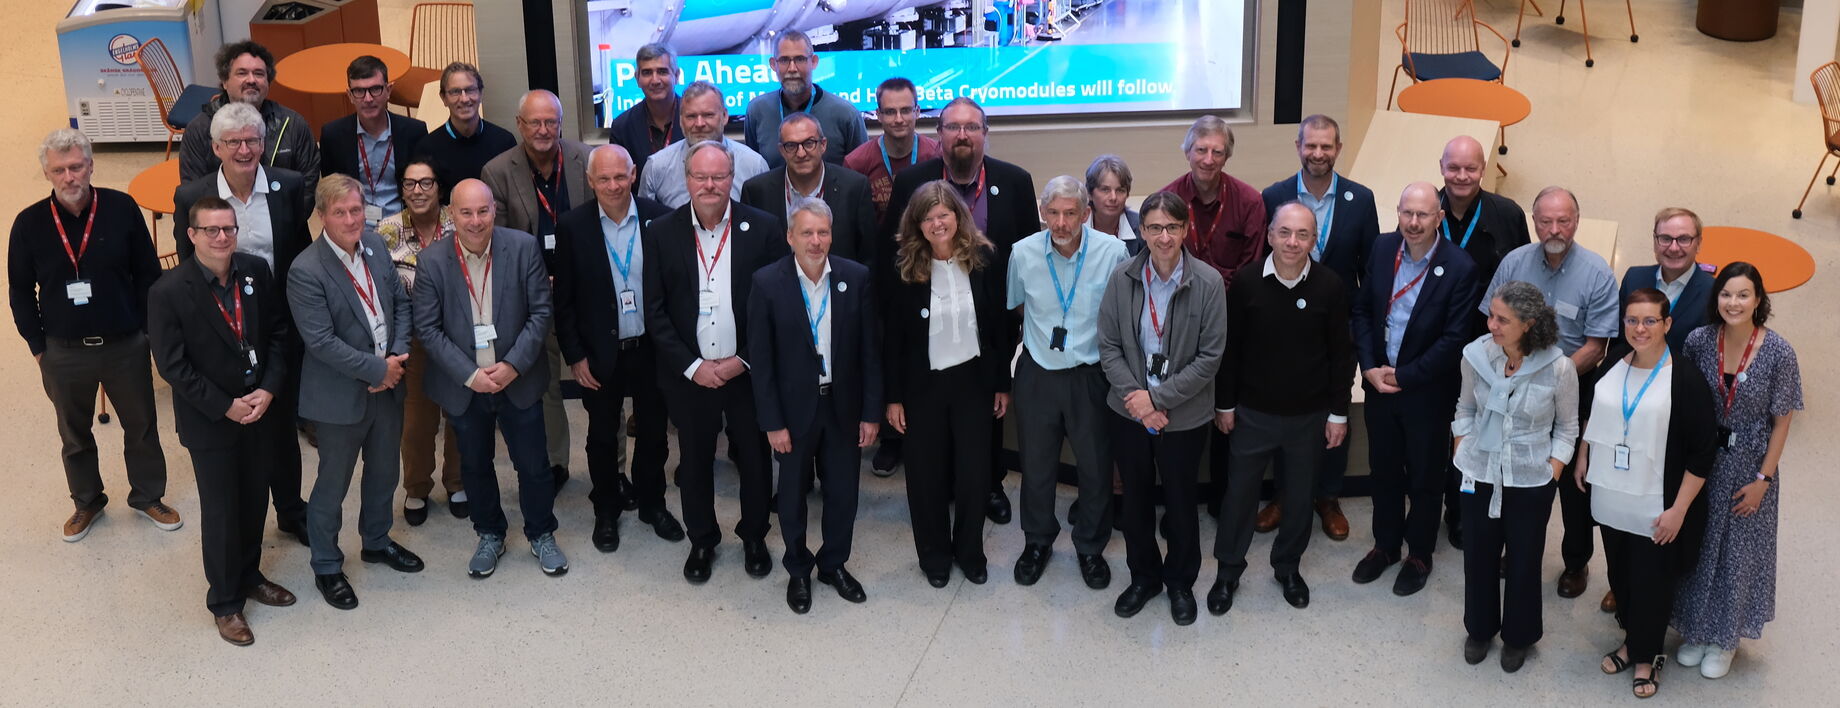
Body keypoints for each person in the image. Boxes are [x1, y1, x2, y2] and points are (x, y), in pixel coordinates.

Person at [9, 128, 175, 541]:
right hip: (63, 352)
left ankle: (148, 496)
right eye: (59, 170)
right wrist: (38, 349)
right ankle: (86, 501)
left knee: (141, 426)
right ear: (47, 174)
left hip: (125, 345)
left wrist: (147, 333)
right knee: (74, 434)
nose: (69, 177)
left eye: (76, 166)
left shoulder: (119, 208)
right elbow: (18, 290)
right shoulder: (29, 224)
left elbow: (147, 275)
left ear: (91, 166)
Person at [148, 196, 298, 646]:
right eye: (210, 230)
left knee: (254, 499)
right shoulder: (168, 291)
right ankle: (226, 602)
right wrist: (226, 405)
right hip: (211, 420)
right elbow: (173, 367)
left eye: (228, 229)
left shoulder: (255, 271)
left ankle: (250, 575)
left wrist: (268, 390)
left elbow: (277, 333)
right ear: (191, 235)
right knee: (221, 510)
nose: (221, 238)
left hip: (259, 409)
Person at [884, 96, 1037, 522]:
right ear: (940, 135)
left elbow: (1028, 253)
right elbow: (892, 255)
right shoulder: (912, 182)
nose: (963, 135)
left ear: (985, 133)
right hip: (928, 317)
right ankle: (948, 486)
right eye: (953, 127)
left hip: (992, 321)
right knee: (936, 414)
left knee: (985, 411)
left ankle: (988, 486)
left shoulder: (1016, 181)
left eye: (972, 127)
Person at [642, 140, 788, 584]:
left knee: (756, 460)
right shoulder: (661, 231)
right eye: (700, 176)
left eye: (718, 176)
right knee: (696, 459)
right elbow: (656, 310)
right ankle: (702, 539)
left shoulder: (762, 228)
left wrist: (742, 359)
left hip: (745, 372)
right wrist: (693, 366)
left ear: (731, 180)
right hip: (690, 374)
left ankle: (754, 536)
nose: (709, 184)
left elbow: (774, 306)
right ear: (687, 180)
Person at [411, 179, 567, 579]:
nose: (476, 221)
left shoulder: (522, 247)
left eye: (483, 211)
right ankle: (490, 533)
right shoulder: (432, 261)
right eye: (466, 212)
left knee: (533, 465)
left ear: (494, 211)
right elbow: (427, 329)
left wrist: (513, 365)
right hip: (465, 386)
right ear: (452, 215)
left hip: (519, 377)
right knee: (475, 466)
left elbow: (540, 313)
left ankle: (541, 532)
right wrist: (470, 374)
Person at [173, 101, 313, 547]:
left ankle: (291, 510)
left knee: (281, 422)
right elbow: (186, 266)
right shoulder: (192, 197)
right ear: (216, 147)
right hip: (221, 324)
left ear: (263, 143)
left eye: (252, 140)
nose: (244, 149)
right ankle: (243, 515)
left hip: (275, 321)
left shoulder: (286, 185)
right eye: (233, 141)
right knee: (237, 424)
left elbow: (298, 248)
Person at [1475, 186, 1618, 599]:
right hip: (1511, 384)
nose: (1555, 229)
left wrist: (1546, 377)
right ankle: (1517, 551)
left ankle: (1576, 562)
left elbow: (1597, 345)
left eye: (1564, 220)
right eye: (1545, 220)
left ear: (1577, 220)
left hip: (1571, 384)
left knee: (1574, 487)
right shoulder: (1514, 263)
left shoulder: (1596, 273)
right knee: (1516, 475)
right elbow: (1494, 323)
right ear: (1533, 221)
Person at [1211, 201, 1354, 615]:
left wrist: (1338, 413)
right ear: (1270, 235)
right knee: (1239, 496)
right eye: (1285, 233)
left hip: (1308, 418)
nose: (1293, 242)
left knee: (1298, 497)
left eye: (1303, 234)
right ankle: (1227, 572)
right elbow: (1231, 350)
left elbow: (1341, 357)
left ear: (1314, 240)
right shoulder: (1247, 282)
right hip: (1251, 413)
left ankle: (1287, 567)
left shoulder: (1330, 286)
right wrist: (1225, 405)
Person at [286, 174, 421, 611]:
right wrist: (378, 369)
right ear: (322, 216)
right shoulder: (305, 269)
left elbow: (400, 303)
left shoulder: (377, 247)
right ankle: (326, 564)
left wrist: (398, 354)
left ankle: (377, 541)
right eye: (340, 212)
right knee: (332, 484)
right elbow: (321, 341)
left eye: (356, 210)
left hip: (389, 384)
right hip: (339, 397)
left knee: (384, 473)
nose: (350, 219)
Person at [1097, 191, 1227, 625]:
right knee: (1134, 501)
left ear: (1185, 229)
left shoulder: (1208, 283)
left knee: (1180, 500)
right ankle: (1144, 577)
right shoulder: (1122, 277)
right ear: (1142, 232)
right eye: (1154, 227)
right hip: (1129, 413)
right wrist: (1139, 401)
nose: (1164, 236)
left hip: (1183, 417)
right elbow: (1109, 346)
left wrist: (1157, 399)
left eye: (1172, 227)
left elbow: (1210, 359)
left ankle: (1180, 583)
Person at [1580, 288, 1716, 699]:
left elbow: (1702, 451)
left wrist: (1679, 509)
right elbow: (1596, 411)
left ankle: (1646, 656)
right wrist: (1584, 454)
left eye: (1649, 321)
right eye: (1632, 320)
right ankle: (1631, 639)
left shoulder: (1686, 378)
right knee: (1621, 574)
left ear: (1667, 324)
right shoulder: (1614, 364)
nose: (1640, 329)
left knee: (1651, 581)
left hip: (1657, 503)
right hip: (1611, 496)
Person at [748, 199, 881, 613]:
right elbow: (762, 360)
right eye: (807, 232)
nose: (816, 240)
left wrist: (871, 412)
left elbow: (870, 352)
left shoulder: (856, 278)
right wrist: (771, 421)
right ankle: (799, 569)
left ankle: (833, 563)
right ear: (790, 237)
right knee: (791, 496)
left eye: (823, 232)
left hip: (842, 407)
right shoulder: (767, 283)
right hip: (792, 412)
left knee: (844, 493)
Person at [1253, 113, 1379, 543]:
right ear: (1298, 146)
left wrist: (1357, 329)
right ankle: (1285, 496)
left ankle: (1327, 497)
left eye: (1327, 146)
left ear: (1338, 149)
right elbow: (1264, 260)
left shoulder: (1360, 200)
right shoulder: (1274, 195)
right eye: (1311, 145)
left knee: (1334, 408)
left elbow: (1370, 271)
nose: (1318, 154)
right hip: (1284, 329)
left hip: (1336, 328)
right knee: (1286, 412)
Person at [1349, 182, 1480, 597]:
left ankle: (1419, 553)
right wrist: (1369, 367)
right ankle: (1385, 545)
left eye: (1423, 214)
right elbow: (1363, 311)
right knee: (1383, 469)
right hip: (1378, 385)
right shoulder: (1384, 249)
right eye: (1407, 213)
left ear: (1439, 217)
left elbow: (1454, 340)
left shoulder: (1460, 267)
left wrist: (1403, 376)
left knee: (1425, 476)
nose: (1414, 222)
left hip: (1426, 392)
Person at [1672, 262, 1802, 678]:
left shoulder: (1780, 352)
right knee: (1702, 544)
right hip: (1705, 460)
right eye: (1726, 294)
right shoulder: (1698, 341)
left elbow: (1783, 421)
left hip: (1750, 465)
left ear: (1759, 299)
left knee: (1738, 555)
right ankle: (1695, 629)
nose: (1734, 302)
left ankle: (1725, 639)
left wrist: (1763, 480)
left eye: (1744, 294)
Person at [553, 145, 683, 552]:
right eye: (603, 178)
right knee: (602, 435)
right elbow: (565, 300)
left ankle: (652, 503)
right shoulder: (573, 226)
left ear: (633, 174)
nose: (612, 185)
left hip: (651, 348)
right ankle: (605, 509)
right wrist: (574, 355)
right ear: (590, 182)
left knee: (654, 433)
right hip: (599, 353)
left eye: (619, 176)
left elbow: (676, 289)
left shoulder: (659, 217)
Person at [881, 181, 1010, 587]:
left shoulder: (984, 258)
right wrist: (894, 397)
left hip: (973, 382)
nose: (938, 223)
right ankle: (934, 555)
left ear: (958, 216)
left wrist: (1001, 384)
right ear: (916, 224)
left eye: (944, 215)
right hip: (923, 386)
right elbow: (892, 339)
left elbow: (1000, 328)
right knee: (926, 476)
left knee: (974, 474)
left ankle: (970, 551)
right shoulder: (903, 266)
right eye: (928, 217)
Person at [1007, 175, 1130, 589]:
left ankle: (1091, 547)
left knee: (1095, 468)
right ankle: (1037, 541)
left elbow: (1120, 317)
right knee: (1036, 466)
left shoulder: (1113, 252)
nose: (1061, 223)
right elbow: (1018, 308)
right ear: (1043, 213)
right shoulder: (1022, 253)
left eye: (1070, 213)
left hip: (1092, 376)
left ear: (1086, 214)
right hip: (1038, 374)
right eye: (1053, 213)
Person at [1452, 281, 1578, 673]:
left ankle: (1518, 636)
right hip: (1480, 472)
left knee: (1524, 560)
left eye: (1502, 319)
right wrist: (1462, 447)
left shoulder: (1559, 367)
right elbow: (1465, 407)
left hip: (1530, 479)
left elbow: (1568, 427)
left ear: (1529, 324)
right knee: (1478, 555)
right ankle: (1479, 628)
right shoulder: (1476, 356)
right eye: (1491, 315)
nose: (1492, 325)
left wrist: (1552, 471)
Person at [481, 89, 592, 488]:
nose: (543, 130)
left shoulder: (585, 160)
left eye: (551, 121)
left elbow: (598, 227)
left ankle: (610, 467)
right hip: (533, 293)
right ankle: (555, 462)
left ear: (561, 124)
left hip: (583, 291)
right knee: (545, 384)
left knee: (598, 378)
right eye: (535, 122)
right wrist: (536, 278)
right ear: (520, 125)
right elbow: (503, 240)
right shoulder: (498, 171)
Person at [377, 159, 466, 524]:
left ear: (439, 188)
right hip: (411, 340)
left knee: (460, 414)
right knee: (416, 421)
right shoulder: (387, 231)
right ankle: (416, 488)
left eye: (426, 183)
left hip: (458, 338)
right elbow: (383, 293)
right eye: (410, 184)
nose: (417, 191)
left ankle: (459, 482)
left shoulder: (459, 221)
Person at [177, 41, 319, 200]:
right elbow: (194, 192)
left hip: (284, 221)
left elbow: (308, 185)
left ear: (268, 82)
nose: (251, 80)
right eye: (242, 73)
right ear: (225, 82)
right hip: (222, 221)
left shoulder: (293, 124)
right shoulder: (200, 129)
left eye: (259, 73)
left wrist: (279, 220)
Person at [741, 112, 877, 263]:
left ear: (823, 145)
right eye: (791, 146)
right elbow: (750, 256)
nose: (801, 153)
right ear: (781, 150)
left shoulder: (854, 188)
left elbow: (869, 256)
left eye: (809, 143)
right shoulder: (757, 192)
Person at [318, 56, 428, 228]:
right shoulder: (333, 136)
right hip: (355, 226)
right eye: (359, 91)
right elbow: (332, 193)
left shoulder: (414, 132)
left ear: (388, 90)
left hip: (405, 224)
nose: (368, 99)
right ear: (350, 95)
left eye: (375, 89)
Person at [1158, 114, 1264, 289]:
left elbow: (1250, 270)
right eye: (1201, 150)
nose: (1208, 160)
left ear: (1226, 158)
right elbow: (1161, 262)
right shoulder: (1165, 201)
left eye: (1217, 152)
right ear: (1187, 153)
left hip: (1231, 301)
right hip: (1179, 296)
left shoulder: (1249, 203)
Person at [742, 30, 868, 168]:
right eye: (784, 60)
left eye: (800, 59)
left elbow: (860, 176)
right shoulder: (757, 111)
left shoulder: (846, 115)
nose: (792, 68)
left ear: (813, 62)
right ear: (773, 64)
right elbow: (753, 171)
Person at [637, 81, 771, 208]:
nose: (699, 124)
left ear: (724, 116)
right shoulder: (656, 167)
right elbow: (647, 223)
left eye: (708, 115)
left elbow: (766, 223)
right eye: (691, 116)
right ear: (680, 120)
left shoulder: (754, 166)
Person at [411, 62, 518, 205]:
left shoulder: (504, 142)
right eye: (455, 92)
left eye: (470, 90)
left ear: (480, 94)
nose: (464, 98)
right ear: (444, 98)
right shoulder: (427, 148)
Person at [842, 77, 940, 222]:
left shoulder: (936, 156)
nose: (899, 119)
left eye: (906, 110)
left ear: (917, 112)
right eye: (890, 112)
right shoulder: (856, 163)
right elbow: (849, 220)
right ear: (878, 115)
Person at [1619, 207, 1716, 353]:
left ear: (1698, 244)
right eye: (1665, 239)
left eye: (1684, 239)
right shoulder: (1634, 279)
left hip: (1684, 375)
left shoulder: (1714, 291)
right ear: (1655, 241)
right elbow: (1619, 343)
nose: (1674, 248)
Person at [607, 43, 685, 180]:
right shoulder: (622, 126)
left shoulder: (696, 119)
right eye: (647, 73)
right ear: (637, 78)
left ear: (677, 76)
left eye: (662, 71)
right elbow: (621, 179)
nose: (655, 80)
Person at [1084, 155, 1142, 253]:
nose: (1113, 197)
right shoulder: (1076, 226)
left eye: (1120, 190)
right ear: (1090, 193)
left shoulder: (1142, 228)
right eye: (1105, 190)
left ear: (1127, 194)